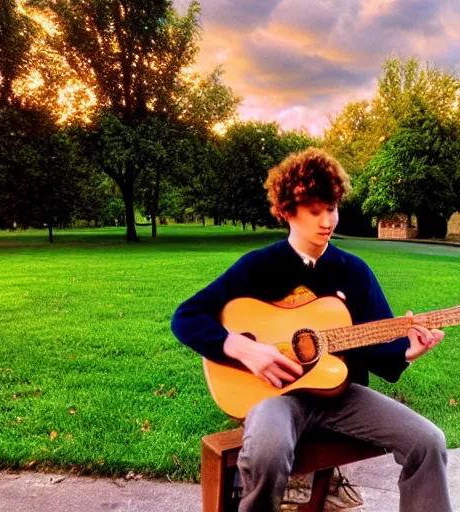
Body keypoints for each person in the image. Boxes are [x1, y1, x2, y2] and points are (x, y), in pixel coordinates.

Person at [171, 147, 451, 512]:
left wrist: (407, 352)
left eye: (331, 209)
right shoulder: (259, 266)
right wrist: (242, 348)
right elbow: (187, 316)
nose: (327, 222)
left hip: (342, 397)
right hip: (277, 398)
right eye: (314, 211)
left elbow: (380, 351)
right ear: (287, 212)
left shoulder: (354, 271)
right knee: (268, 450)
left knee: (428, 441)